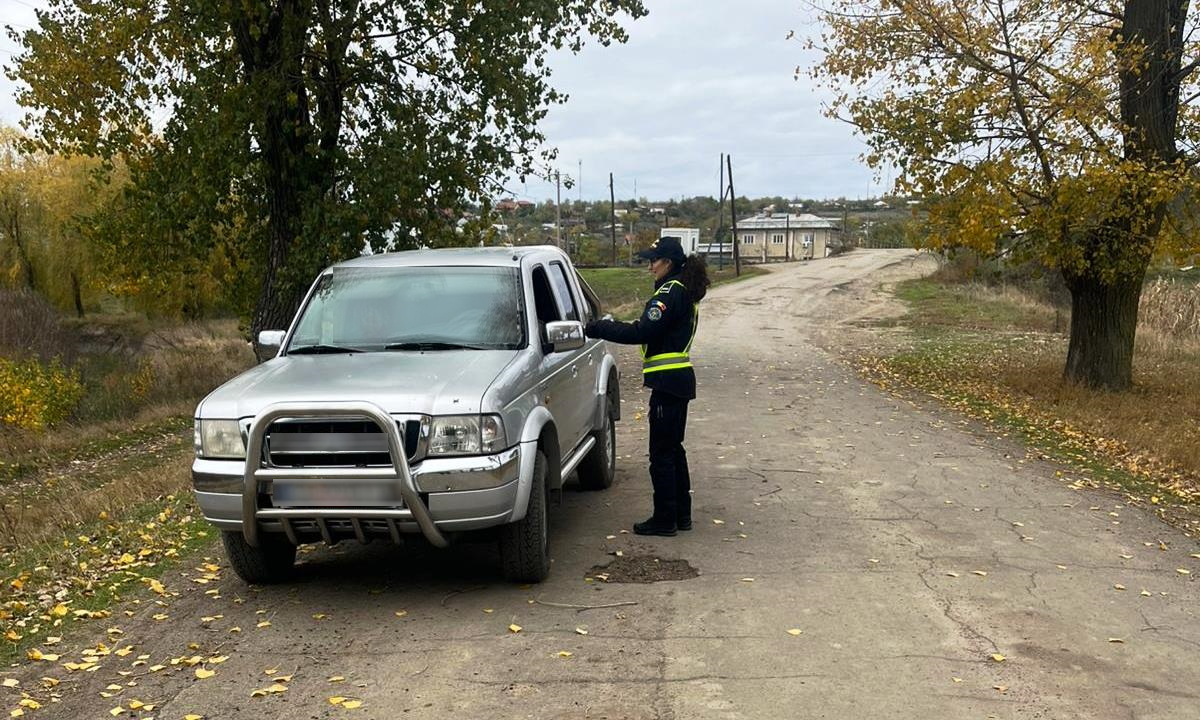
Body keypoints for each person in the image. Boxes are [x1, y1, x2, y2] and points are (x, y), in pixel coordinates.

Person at [584, 236, 710, 536]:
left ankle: (665, 519)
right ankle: (681, 515)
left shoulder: (669, 293)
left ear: (668, 262)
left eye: (653, 261)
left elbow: (642, 331)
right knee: (673, 450)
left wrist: (598, 327)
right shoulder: (681, 290)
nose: (650, 266)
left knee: (661, 455)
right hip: (677, 381)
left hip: (668, 383)